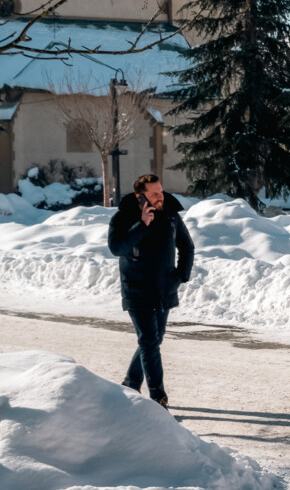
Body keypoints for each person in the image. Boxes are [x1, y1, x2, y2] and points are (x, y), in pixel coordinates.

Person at [107, 173, 194, 408]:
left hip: (164, 289)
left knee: (154, 339)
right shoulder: (123, 217)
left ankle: (131, 382)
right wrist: (142, 225)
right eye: (154, 193)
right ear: (140, 196)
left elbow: (187, 247)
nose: (160, 197)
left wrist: (179, 277)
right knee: (148, 341)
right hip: (137, 290)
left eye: (161, 191)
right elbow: (117, 248)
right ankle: (158, 397)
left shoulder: (171, 215)